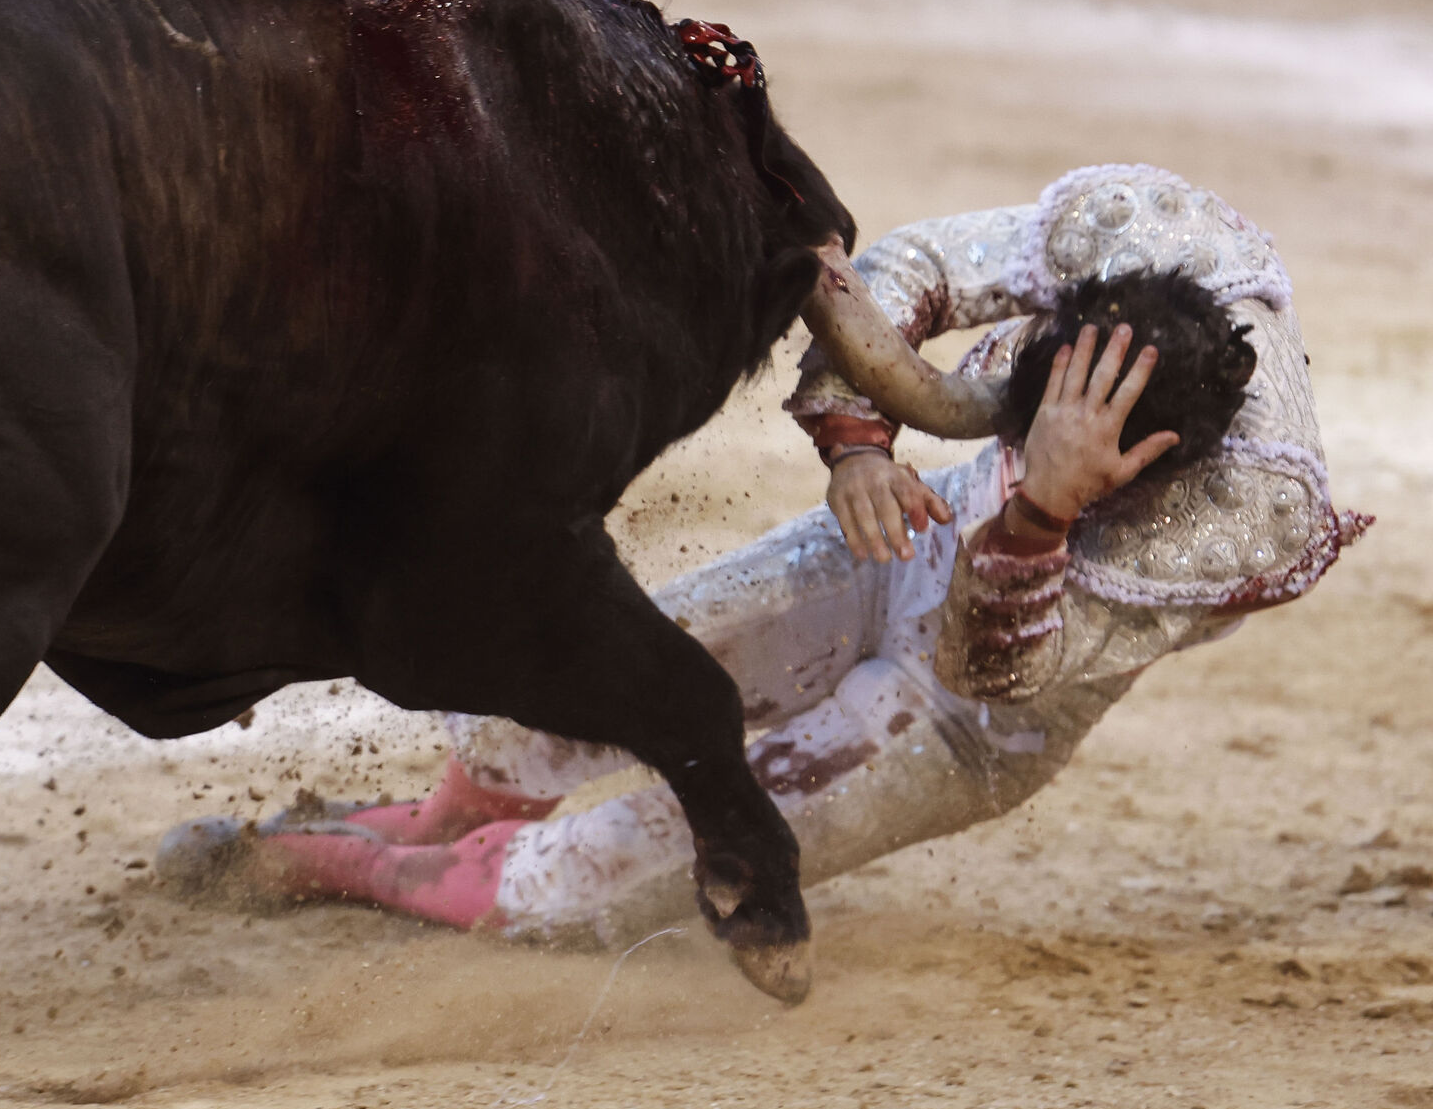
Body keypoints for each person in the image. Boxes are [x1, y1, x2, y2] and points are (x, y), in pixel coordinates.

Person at [153, 164, 1368, 947]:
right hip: (906, 541)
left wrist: (1041, 518)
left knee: (561, 894)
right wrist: (857, 442)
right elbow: (900, 274)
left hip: (967, 720)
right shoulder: (1149, 226)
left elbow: (993, 671)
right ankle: (426, 823)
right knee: (571, 694)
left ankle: (332, 863)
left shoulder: (1245, 517)